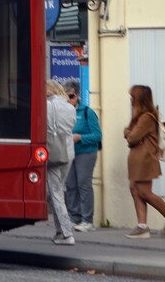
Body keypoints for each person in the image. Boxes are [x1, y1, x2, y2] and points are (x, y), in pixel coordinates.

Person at [123, 84, 165, 238]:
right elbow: (131, 134)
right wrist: (129, 132)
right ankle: (142, 226)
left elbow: (132, 137)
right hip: (138, 158)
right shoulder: (139, 116)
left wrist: (127, 132)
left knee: (144, 192)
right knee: (135, 189)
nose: (130, 100)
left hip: (145, 159)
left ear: (138, 99)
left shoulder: (146, 117)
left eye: (132, 97)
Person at [65, 81, 102, 231]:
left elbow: (97, 135)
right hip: (69, 152)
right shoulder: (64, 111)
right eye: (65, 97)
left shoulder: (87, 112)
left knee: (84, 185)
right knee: (70, 185)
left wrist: (80, 138)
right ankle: (74, 217)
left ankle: (87, 220)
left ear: (78, 95)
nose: (69, 100)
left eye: (71, 96)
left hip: (86, 152)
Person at [45, 78, 77, 245]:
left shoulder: (47, 106)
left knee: (55, 193)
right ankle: (59, 231)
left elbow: (45, 127)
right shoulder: (70, 107)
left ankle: (67, 233)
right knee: (57, 190)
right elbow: (71, 126)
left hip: (54, 151)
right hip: (68, 150)